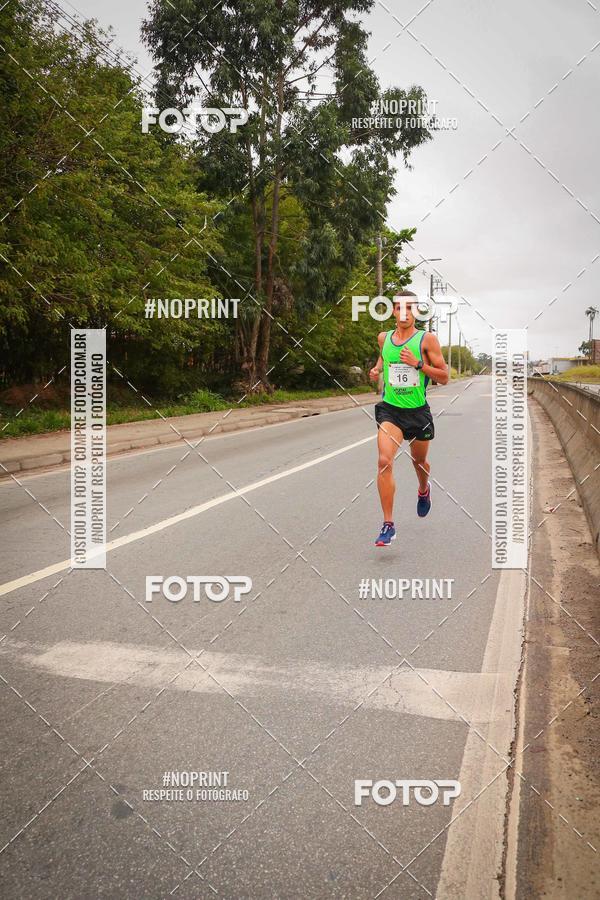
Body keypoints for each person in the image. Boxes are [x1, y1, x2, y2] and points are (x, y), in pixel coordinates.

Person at [369, 291, 449, 547]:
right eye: (399, 308)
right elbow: (384, 357)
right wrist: (377, 369)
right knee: (384, 460)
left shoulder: (427, 340)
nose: (404, 313)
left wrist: (418, 365)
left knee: (420, 461)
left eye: (409, 308)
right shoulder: (383, 338)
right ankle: (388, 525)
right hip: (390, 411)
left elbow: (444, 377)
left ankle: (423, 489)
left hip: (418, 412)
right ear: (392, 311)